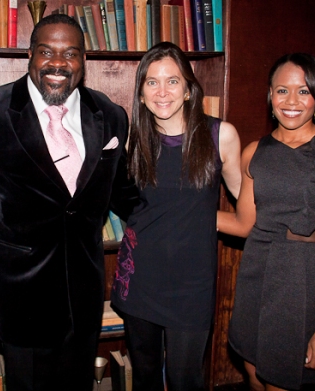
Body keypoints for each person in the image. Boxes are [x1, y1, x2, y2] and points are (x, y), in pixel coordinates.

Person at [0, 13, 139, 391]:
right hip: (20, 301)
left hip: (84, 300)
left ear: (83, 61)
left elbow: (126, 195)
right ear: (30, 55)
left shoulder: (110, 115)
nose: (58, 63)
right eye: (46, 52)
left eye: (70, 53)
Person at [217, 53, 315, 390]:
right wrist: (182, 213)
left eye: (304, 91)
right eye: (282, 90)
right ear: (270, 95)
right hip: (257, 273)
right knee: (255, 378)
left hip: (305, 281)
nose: (292, 101)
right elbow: (243, 223)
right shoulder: (254, 152)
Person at [110, 42, 242, 390]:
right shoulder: (131, 141)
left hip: (192, 285)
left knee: (186, 380)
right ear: (140, 93)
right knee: (146, 378)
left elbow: (247, 207)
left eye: (172, 80)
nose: (162, 91)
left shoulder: (220, 136)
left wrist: (200, 220)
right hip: (140, 281)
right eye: (151, 82)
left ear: (188, 89)